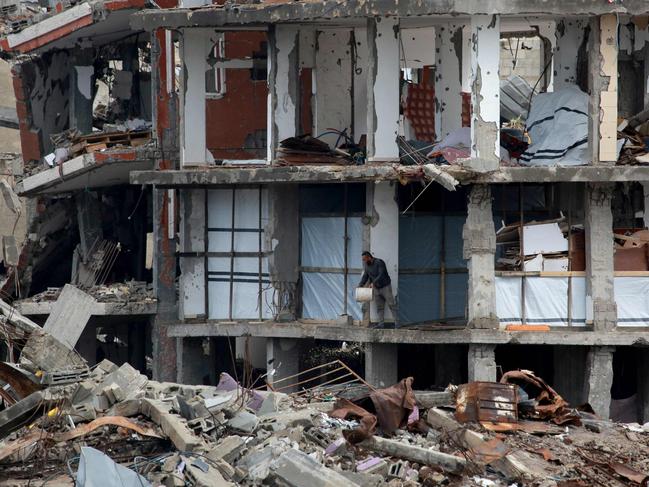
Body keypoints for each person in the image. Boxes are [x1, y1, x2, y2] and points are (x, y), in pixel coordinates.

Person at [359, 251, 398, 329]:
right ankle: (381, 324)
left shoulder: (379, 262)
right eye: (363, 260)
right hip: (376, 289)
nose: (364, 261)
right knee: (379, 307)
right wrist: (360, 285)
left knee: (392, 305)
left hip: (385, 287)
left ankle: (397, 323)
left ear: (369, 257)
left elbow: (381, 274)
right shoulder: (367, 266)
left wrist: (373, 282)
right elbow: (365, 276)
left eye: (364, 259)